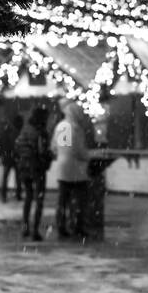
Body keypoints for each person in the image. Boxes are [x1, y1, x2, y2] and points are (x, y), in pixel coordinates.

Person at [52, 99, 92, 238]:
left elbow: (55, 148)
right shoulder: (75, 128)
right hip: (76, 170)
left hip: (62, 169)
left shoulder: (61, 126)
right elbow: (78, 150)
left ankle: (61, 226)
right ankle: (77, 226)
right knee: (79, 201)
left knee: (62, 200)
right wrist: (89, 156)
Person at [13, 107, 51, 240]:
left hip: (24, 167)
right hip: (37, 168)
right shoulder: (41, 132)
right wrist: (48, 158)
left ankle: (25, 228)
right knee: (39, 199)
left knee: (28, 198)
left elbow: (17, 147)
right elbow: (43, 152)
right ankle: (35, 230)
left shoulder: (25, 129)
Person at [0, 112, 19, 202]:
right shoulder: (13, 132)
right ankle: (15, 195)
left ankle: (4, 196)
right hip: (12, 156)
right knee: (16, 177)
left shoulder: (4, 133)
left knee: (6, 177)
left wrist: (0, 154)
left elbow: (0, 145)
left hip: (8, 157)